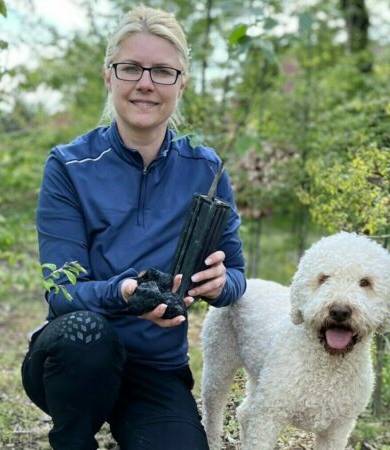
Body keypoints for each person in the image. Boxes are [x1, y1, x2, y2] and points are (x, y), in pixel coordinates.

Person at [21, 6, 246, 450]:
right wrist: (123, 293)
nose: (145, 83)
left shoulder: (207, 170)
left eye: (163, 71)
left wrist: (220, 284)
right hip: (74, 361)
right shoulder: (69, 165)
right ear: (109, 76)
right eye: (131, 68)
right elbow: (62, 291)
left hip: (156, 369)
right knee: (87, 336)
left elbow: (237, 275)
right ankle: (74, 437)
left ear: (182, 82)